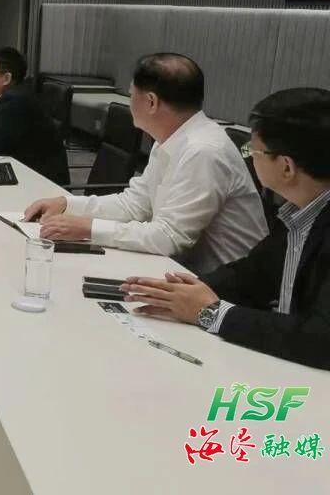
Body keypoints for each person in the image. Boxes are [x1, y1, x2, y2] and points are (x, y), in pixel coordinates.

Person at [122, 88, 330, 370]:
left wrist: (211, 314)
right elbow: (252, 275)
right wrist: (182, 293)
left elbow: (321, 339)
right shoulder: (300, 211)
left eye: (253, 151)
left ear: (286, 167)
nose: (250, 158)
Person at [24, 53, 266, 274]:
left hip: (224, 289)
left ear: (151, 102)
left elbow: (170, 238)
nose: (129, 102)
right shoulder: (170, 138)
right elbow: (135, 205)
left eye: (132, 94)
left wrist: (88, 228)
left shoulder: (204, 151)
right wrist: (67, 204)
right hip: (182, 271)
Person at [0, 46, 69, 185]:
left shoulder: (15, 100)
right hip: (25, 175)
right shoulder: (8, 97)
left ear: (6, 78)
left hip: (42, 184)